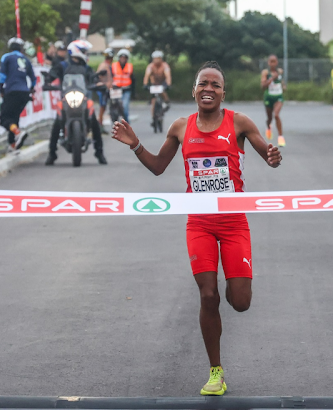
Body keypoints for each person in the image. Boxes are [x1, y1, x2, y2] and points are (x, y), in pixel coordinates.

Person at [110, 61, 282, 396]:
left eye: (215, 85)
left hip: (234, 222)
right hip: (199, 222)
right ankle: (215, 371)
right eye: (203, 83)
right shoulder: (180, 126)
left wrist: (273, 156)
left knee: (240, 301)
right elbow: (158, 167)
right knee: (207, 295)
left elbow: (268, 154)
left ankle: (236, 287)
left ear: (223, 92)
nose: (208, 89)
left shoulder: (239, 123)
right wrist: (135, 145)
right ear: (193, 90)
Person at [45, 40, 106, 165]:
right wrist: (48, 81)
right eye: (84, 51)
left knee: (94, 122)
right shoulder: (63, 65)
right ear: (76, 51)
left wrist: (98, 83)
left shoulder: (86, 67)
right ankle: (52, 154)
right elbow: (52, 74)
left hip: (83, 98)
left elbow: (93, 78)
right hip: (66, 98)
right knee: (57, 122)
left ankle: (99, 153)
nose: (85, 54)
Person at [0, 37, 35, 153]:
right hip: (24, 93)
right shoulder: (26, 60)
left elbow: (2, 75)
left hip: (12, 91)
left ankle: (18, 133)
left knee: (4, 118)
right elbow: (33, 79)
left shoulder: (6, 57)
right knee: (14, 118)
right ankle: (13, 145)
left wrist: (1, 89)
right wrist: (31, 89)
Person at [260, 55, 286, 147]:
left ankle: (281, 137)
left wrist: (283, 86)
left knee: (276, 115)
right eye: (271, 61)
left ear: (277, 62)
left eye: (274, 61)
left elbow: (281, 82)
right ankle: (268, 127)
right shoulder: (266, 73)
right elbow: (263, 86)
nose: (273, 63)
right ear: (268, 62)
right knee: (270, 118)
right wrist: (271, 79)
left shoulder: (280, 72)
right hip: (268, 98)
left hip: (278, 97)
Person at [144, 50, 173, 124]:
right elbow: (147, 76)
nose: (156, 60)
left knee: (163, 92)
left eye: (158, 58)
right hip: (154, 83)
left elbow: (168, 76)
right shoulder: (150, 66)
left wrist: (168, 84)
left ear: (161, 59)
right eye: (155, 58)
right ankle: (153, 117)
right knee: (153, 100)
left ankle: (166, 103)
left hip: (162, 82)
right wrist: (145, 84)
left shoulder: (165, 66)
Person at [112, 49, 134, 123]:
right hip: (116, 89)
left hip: (126, 90)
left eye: (124, 58)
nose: (123, 59)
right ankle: (114, 121)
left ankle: (126, 123)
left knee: (124, 107)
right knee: (114, 105)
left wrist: (133, 91)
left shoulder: (130, 66)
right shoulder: (114, 66)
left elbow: (133, 79)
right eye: (121, 58)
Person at [96, 48, 114, 134]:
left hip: (107, 89)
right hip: (102, 89)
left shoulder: (109, 65)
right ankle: (100, 125)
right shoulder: (103, 65)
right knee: (102, 107)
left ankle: (101, 125)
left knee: (104, 107)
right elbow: (98, 75)